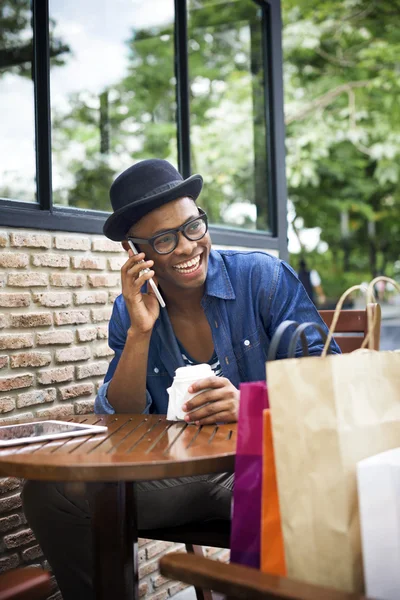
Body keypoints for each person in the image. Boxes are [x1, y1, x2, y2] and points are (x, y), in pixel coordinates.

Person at [22, 159, 340, 599]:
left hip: (272, 468)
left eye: (193, 227)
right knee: (50, 494)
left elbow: (331, 387)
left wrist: (251, 403)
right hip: (190, 477)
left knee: (302, 506)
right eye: (165, 240)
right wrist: (140, 332)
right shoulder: (130, 311)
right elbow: (123, 417)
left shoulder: (262, 279)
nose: (188, 247)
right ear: (135, 252)